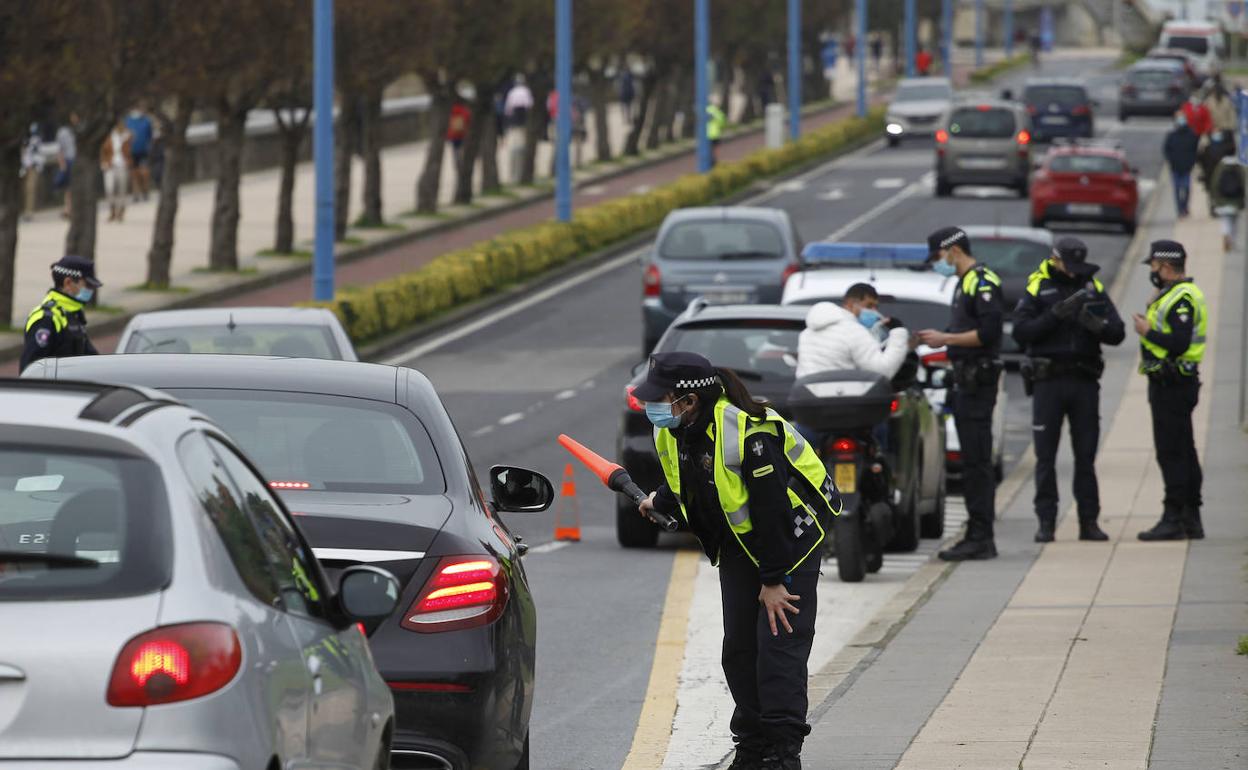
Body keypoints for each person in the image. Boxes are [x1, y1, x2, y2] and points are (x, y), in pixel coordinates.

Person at [634, 352, 841, 770]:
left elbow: (771, 511)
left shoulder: (748, 433)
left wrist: (774, 580)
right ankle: (752, 744)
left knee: (778, 649)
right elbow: (690, 476)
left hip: (789, 543)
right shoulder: (676, 431)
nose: (649, 406)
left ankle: (783, 754)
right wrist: (662, 499)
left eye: (659, 398)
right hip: (740, 546)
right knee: (740, 652)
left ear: (688, 401)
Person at [1011, 237, 1125, 543]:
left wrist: (1095, 324)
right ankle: (1046, 521)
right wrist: (1054, 315)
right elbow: (1020, 333)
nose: (1072, 272)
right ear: (1055, 259)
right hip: (1048, 382)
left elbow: (1118, 333)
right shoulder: (1038, 287)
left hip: (1084, 381)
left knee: (1085, 456)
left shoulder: (1092, 287)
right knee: (1045, 457)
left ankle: (1089, 521)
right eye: (1067, 265)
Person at [918, 227, 1004, 561]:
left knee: (978, 463)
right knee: (971, 462)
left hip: (978, 383)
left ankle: (981, 537)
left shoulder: (981, 282)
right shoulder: (963, 283)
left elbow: (989, 332)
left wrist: (946, 339)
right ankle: (977, 532)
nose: (938, 264)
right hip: (966, 383)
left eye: (938, 257)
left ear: (953, 250)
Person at [1133, 241, 1208, 541]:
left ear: (1165, 266)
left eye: (1153, 266)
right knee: (1184, 450)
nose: (1151, 272)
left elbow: (1178, 343)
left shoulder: (1182, 298)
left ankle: (1174, 516)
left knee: (1172, 452)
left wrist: (1147, 331)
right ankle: (1191, 517)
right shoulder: (1172, 294)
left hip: (1173, 383)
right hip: (1171, 382)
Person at [796, 283, 911, 381]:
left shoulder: (808, 332)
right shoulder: (854, 332)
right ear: (851, 304)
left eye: (876, 307)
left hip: (806, 397)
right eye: (869, 305)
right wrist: (898, 331)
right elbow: (883, 372)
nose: (874, 312)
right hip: (840, 398)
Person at [21, 255, 103, 372]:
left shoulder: (72, 314)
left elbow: (93, 359)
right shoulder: (46, 319)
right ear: (68, 283)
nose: (91, 291)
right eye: (87, 285)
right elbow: (32, 368)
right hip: (55, 389)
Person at [1163, 113, 1199, 218]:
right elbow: (1166, 150)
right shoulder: (1172, 136)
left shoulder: (1192, 135)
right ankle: (1180, 209)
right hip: (1175, 167)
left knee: (1186, 188)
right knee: (1177, 189)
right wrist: (1171, 160)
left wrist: (1192, 162)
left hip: (1187, 167)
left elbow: (1195, 150)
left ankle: (1184, 207)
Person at [1209, 155, 1245, 252]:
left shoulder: (1220, 168)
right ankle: (1232, 240)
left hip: (1222, 202)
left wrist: (1215, 200)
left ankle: (1226, 234)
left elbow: (1214, 184)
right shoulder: (1239, 168)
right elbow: (1243, 184)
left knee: (1225, 221)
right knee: (1234, 222)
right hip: (1236, 202)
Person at [100, 118, 133, 222]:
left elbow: (132, 141)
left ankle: (121, 210)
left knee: (121, 189)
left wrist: (125, 137)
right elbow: (103, 150)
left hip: (123, 165)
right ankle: (112, 209)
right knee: (109, 188)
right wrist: (104, 162)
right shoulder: (108, 136)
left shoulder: (127, 136)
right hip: (110, 165)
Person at [125, 105, 153, 202]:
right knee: (134, 174)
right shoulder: (127, 121)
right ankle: (135, 194)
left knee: (144, 173)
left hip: (144, 151)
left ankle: (145, 191)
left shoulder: (146, 121)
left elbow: (150, 136)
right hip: (131, 152)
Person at [54, 113, 78, 220]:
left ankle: (72, 208)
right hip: (69, 160)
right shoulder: (63, 132)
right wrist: (62, 164)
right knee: (69, 187)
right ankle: (68, 209)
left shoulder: (81, 129)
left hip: (79, 160)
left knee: (75, 187)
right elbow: (60, 149)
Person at [20, 124, 43, 222]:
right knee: (24, 190)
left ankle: (29, 212)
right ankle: (24, 210)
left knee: (30, 189)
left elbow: (35, 155)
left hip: (32, 167)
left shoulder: (36, 140)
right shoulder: (25, 140)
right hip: (24, 168)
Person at [446, 96, 472, 166]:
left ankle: (457, 162)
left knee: (455, 149)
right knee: (463, 148)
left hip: (454, 135)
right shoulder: (464, 110)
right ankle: (463, 162)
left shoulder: (450, 111)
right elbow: (468, 120)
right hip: (463, 133)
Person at [707, 99, 727, 167]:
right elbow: (722, 121)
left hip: (706, 134)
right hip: (715, 133)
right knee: (715, 147)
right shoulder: (716, 111)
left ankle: (707, 159)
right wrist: (721, 127)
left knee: (707, 147)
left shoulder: (705, 110)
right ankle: (715, 160)